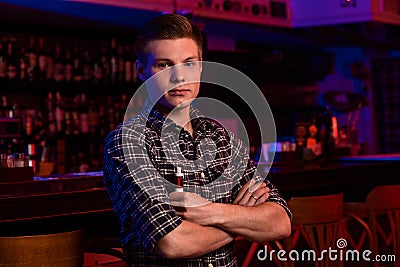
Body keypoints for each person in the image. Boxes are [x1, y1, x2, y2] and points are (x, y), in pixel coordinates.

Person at [103, 13, 292, 266]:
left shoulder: (221, 137)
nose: (179, 77)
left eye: (189, 63)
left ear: (202, 66)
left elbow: (280, 222)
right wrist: (243, 222)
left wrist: (207, 212)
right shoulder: (129, 142)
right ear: (141, 71)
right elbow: (173, 242)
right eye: (164, 65)